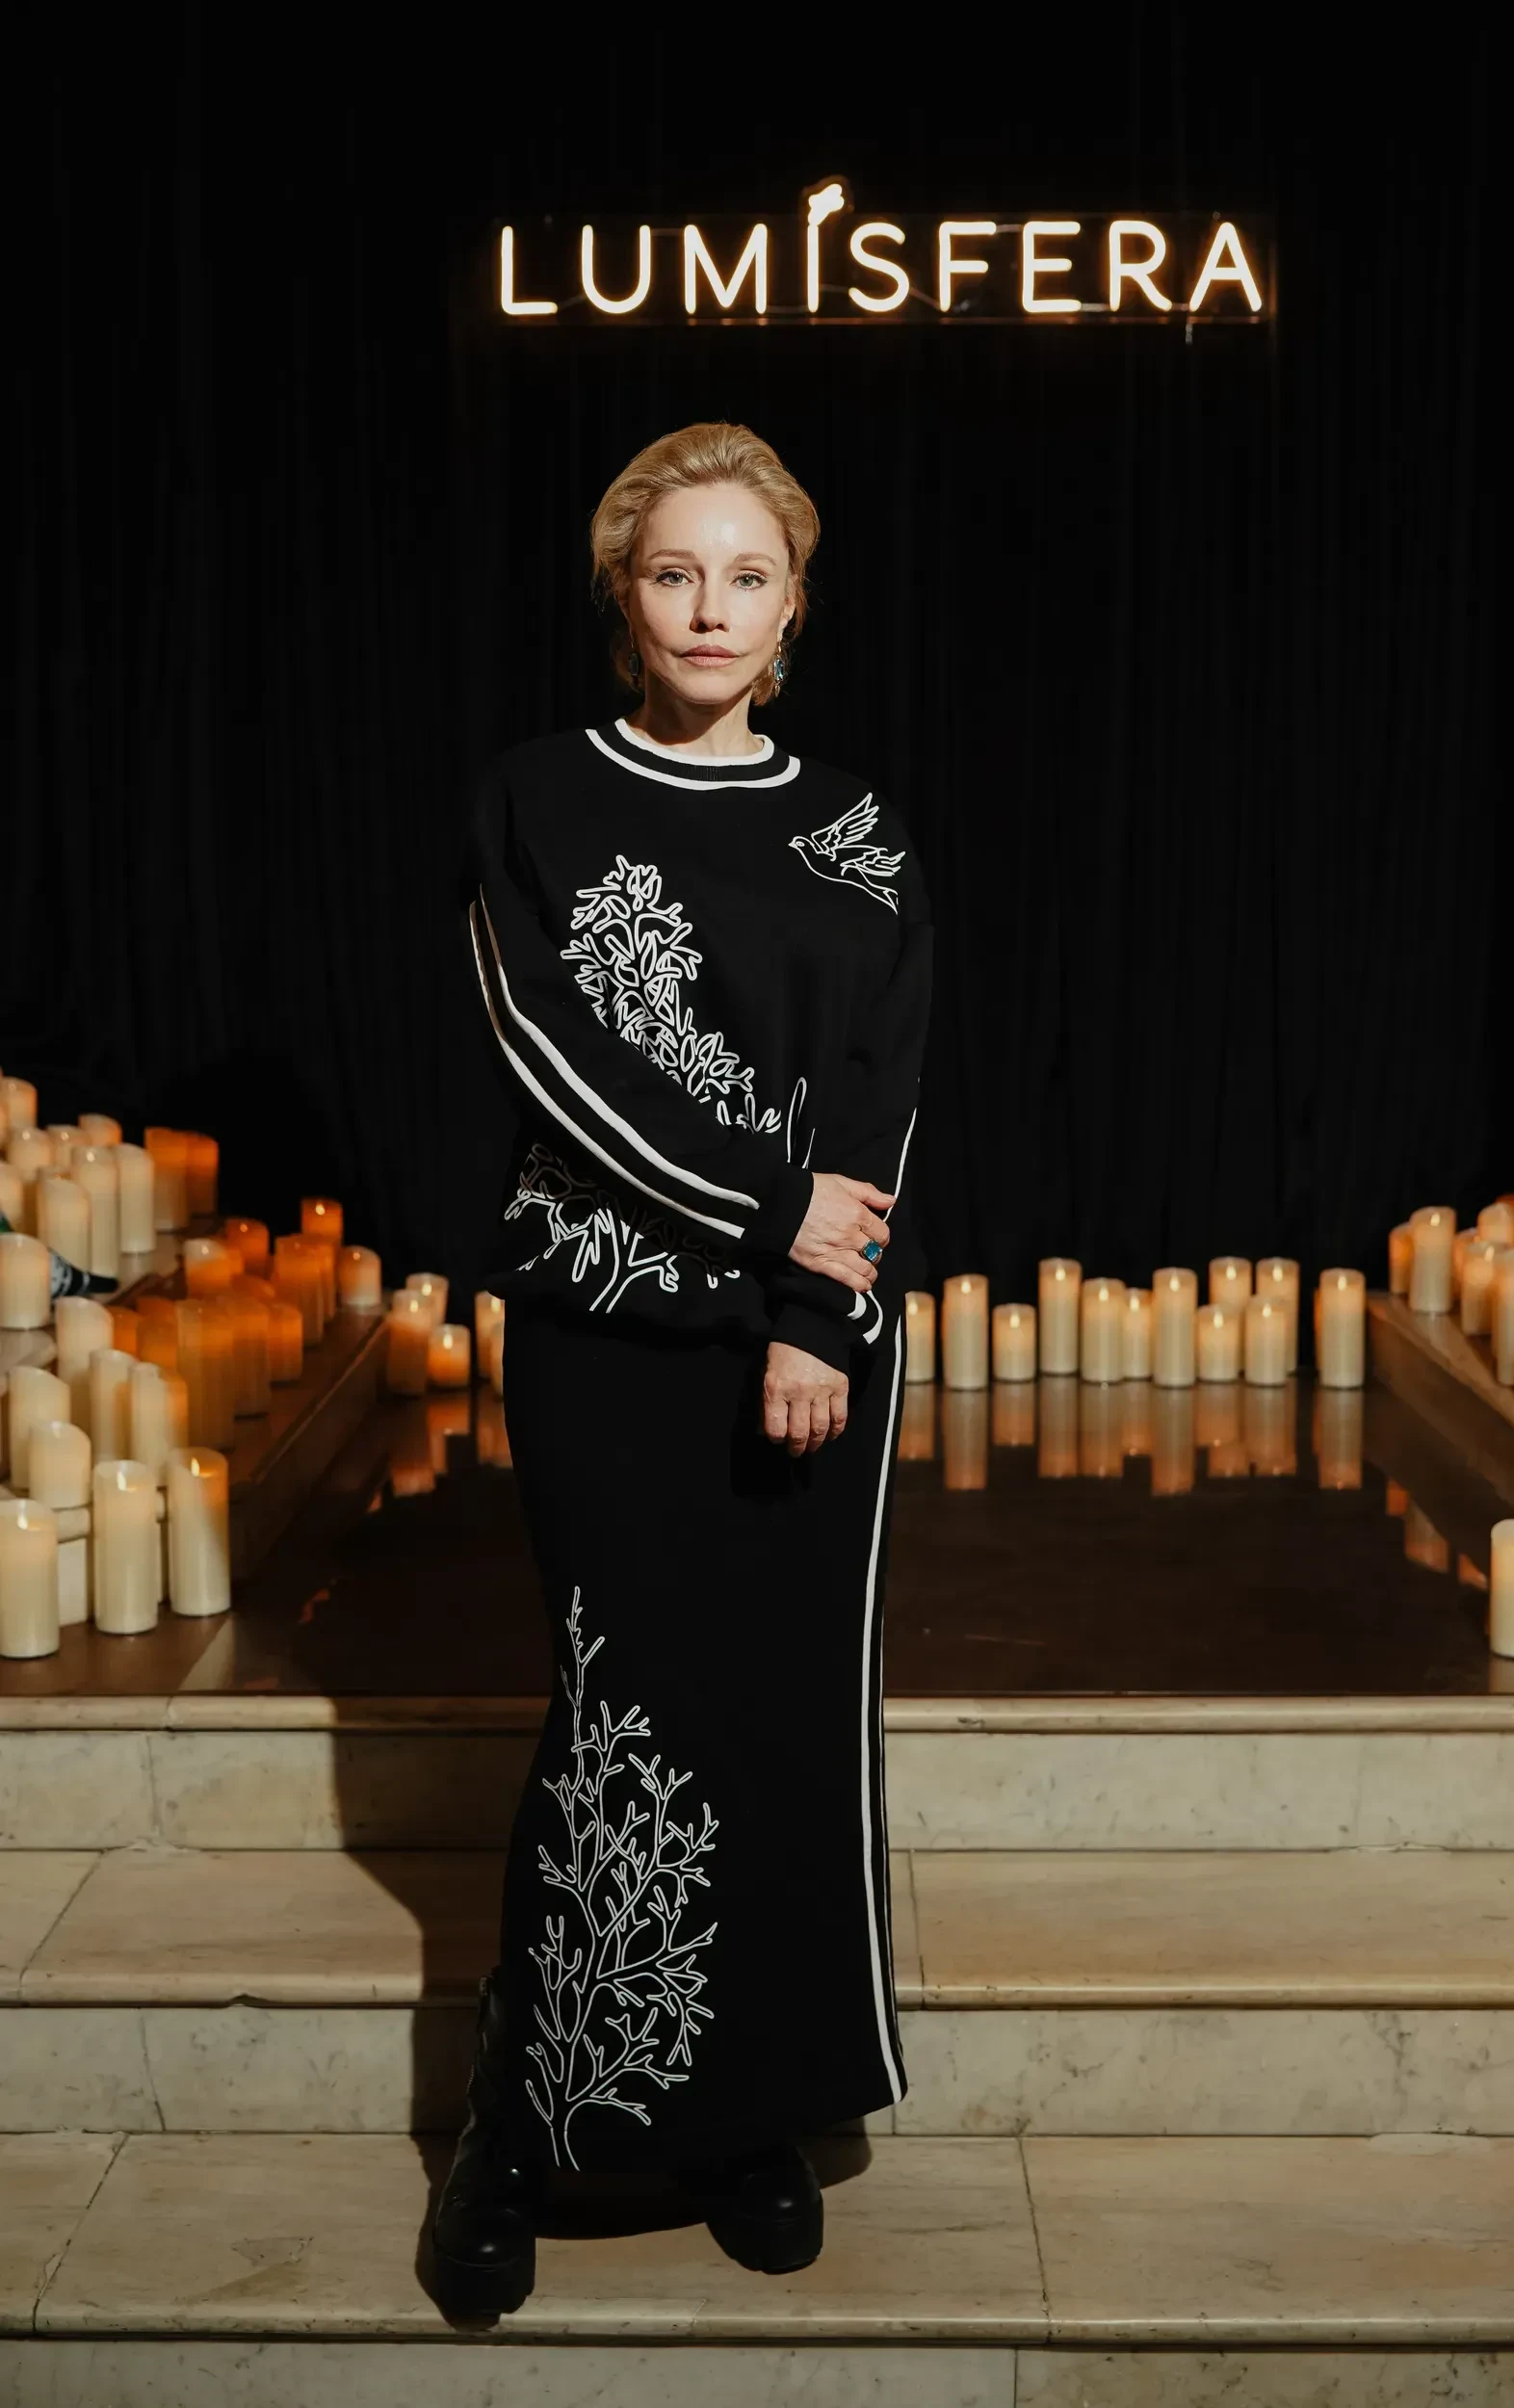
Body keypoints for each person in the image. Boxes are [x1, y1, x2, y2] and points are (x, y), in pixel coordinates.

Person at [432, 422, 934, 2316]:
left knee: (779, 1724)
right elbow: (552, 1059)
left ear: (794, 606)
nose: (710, 608)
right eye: (673, 572)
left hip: (807, 1353)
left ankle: (751, 2113)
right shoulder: (541, 797)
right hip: (611, 1336)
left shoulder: (857, 831)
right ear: (621, 597)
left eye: (746, 575)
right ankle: (522, 2120)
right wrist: (771, 1211)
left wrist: (816, 1311)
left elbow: (886, 1097)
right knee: (616, 1717)